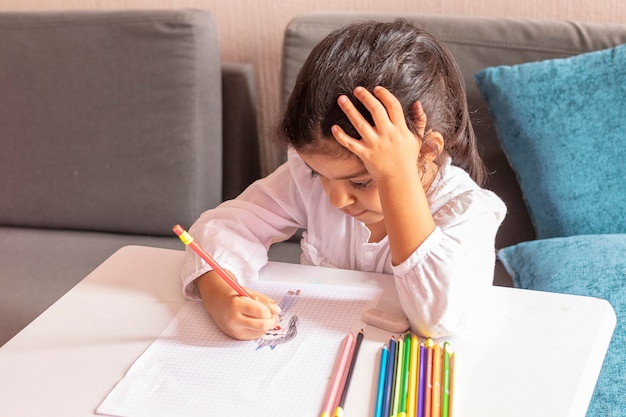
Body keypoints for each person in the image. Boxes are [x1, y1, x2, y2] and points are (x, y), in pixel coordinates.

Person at [181, 19, 506, 340]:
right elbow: (224, 228)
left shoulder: (466, 210)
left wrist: (398, 178)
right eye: (317, 173)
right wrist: (220, 294)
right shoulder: (309, 181)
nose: (336, 199)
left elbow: (437, 319)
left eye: (362, 182)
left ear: (426, 151)